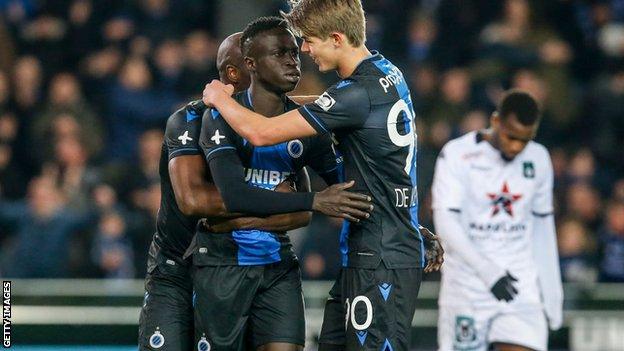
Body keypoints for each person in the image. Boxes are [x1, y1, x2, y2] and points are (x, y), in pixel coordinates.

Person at [200, 1, 444, 349]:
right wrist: (412, 224)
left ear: (335, 38)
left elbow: (261, 133)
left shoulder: (354, 94)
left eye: (309, 40)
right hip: (370, 251)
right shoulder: (387, 73)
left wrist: (220, 99)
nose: (304, 49)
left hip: (380, 260)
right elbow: (352, 125)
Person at [138, 31, 371, 351]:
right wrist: (272, 201)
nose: (287, 62)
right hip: (177, 268)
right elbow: (194, 201)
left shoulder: (287, 125)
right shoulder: (190, 120)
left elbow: (301, 210)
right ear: (235, 72)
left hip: (257, 264)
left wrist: (237, 213)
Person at [432, 90, 563, 351]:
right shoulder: (457, 155)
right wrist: (488, 272)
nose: (516, 147)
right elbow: (445, 221)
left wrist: (552, 291)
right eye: (511, 137)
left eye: (524, 140)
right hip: (468, 287)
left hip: (520, 287)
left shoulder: (538, 159)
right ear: (495, 121)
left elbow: (542, 228)